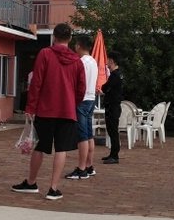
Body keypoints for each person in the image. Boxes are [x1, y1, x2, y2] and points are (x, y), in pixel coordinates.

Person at [12, 23, 86, 200]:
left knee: (40, 146)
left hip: (45, 109)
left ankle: (31, 182)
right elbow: (81, 89)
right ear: (70, 39)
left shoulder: (45, 54)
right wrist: (72, 103)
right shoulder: (77, 61)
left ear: (54, 37)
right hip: (67, 111)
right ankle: (53, 188)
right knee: (61, 148)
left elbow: (36, 83)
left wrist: (31, 107)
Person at [65, 35, 98, 180]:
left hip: (82, 100)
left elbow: (75, 82)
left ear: (79, 46)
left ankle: (81, 169)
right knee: (89, 134)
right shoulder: (93, 61)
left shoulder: (80, 62)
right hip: (91, 99)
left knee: (82, 135)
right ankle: (89, 166)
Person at [100, 51, 123, 164]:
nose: (106, 63)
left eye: (108, 60)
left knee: (113, 131)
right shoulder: (119, 74)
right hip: (114, 106)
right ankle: (112, 153)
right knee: (111, 130)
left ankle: (115, 155)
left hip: (112, 107)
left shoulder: (114, 75)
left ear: (112, 61)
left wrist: (103, 88)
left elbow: (105, 87)